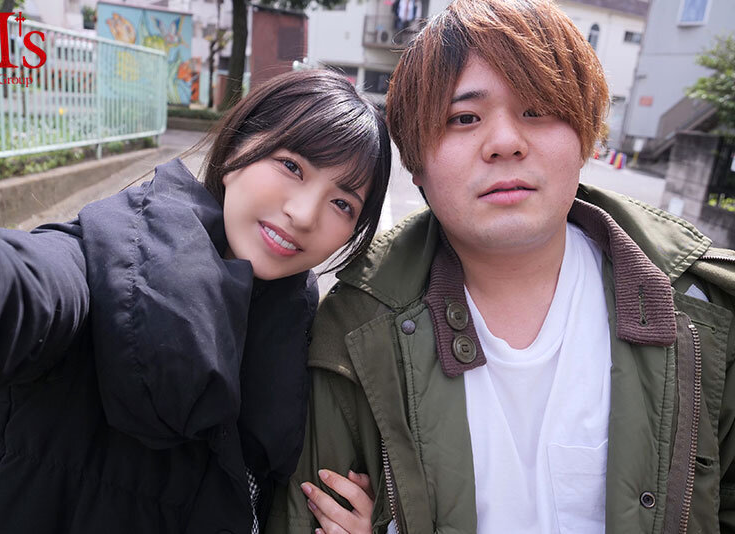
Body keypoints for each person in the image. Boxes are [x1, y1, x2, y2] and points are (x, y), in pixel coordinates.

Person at [266, 1, 735, 533]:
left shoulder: (702, 308)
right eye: (464, 118)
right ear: (416, 164)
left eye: (537, 110)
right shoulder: (355, 329)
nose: (506, 143)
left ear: (583, 136)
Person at [0, 69, 391, 533]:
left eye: (342, 204)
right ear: (237, 149)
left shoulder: (303, 330)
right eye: (291, 166)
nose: (304, 214)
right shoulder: (100, 264)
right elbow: (0, 294)